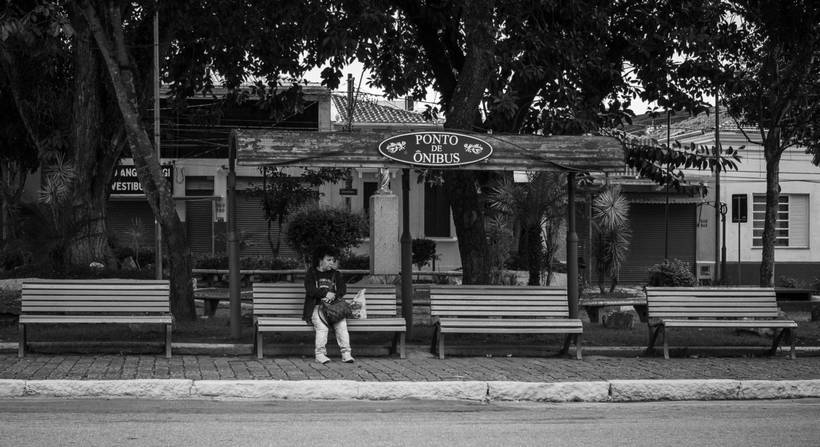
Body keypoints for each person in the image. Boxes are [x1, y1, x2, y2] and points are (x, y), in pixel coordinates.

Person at [303, 246, 354, 364]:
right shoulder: (311, 273)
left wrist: (334, 296)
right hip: (316, 307)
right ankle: (320, 354)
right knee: (322, 327)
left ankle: (346, 354)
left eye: (333, 260)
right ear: (320, 260)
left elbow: (342, 289)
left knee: (342, 325)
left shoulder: (336, 274)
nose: (331, 263)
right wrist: (326, 293)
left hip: (334, 307)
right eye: (329, 260)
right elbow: (310, 290)